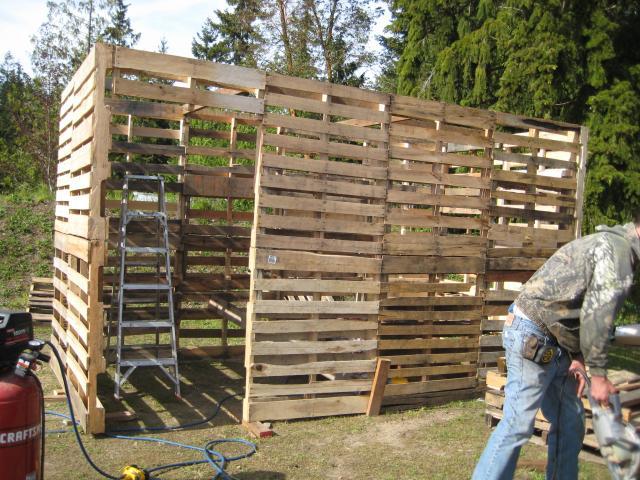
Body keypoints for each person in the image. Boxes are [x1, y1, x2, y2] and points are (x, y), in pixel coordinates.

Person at [472, 218, 640, 480]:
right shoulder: (617, 251)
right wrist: (598, 376)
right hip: (534, 333)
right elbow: (598, 316)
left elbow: (576, 307)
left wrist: (578, 357)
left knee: (570, 423)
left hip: (557, 340)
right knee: (517, 425)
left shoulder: (613, 245)